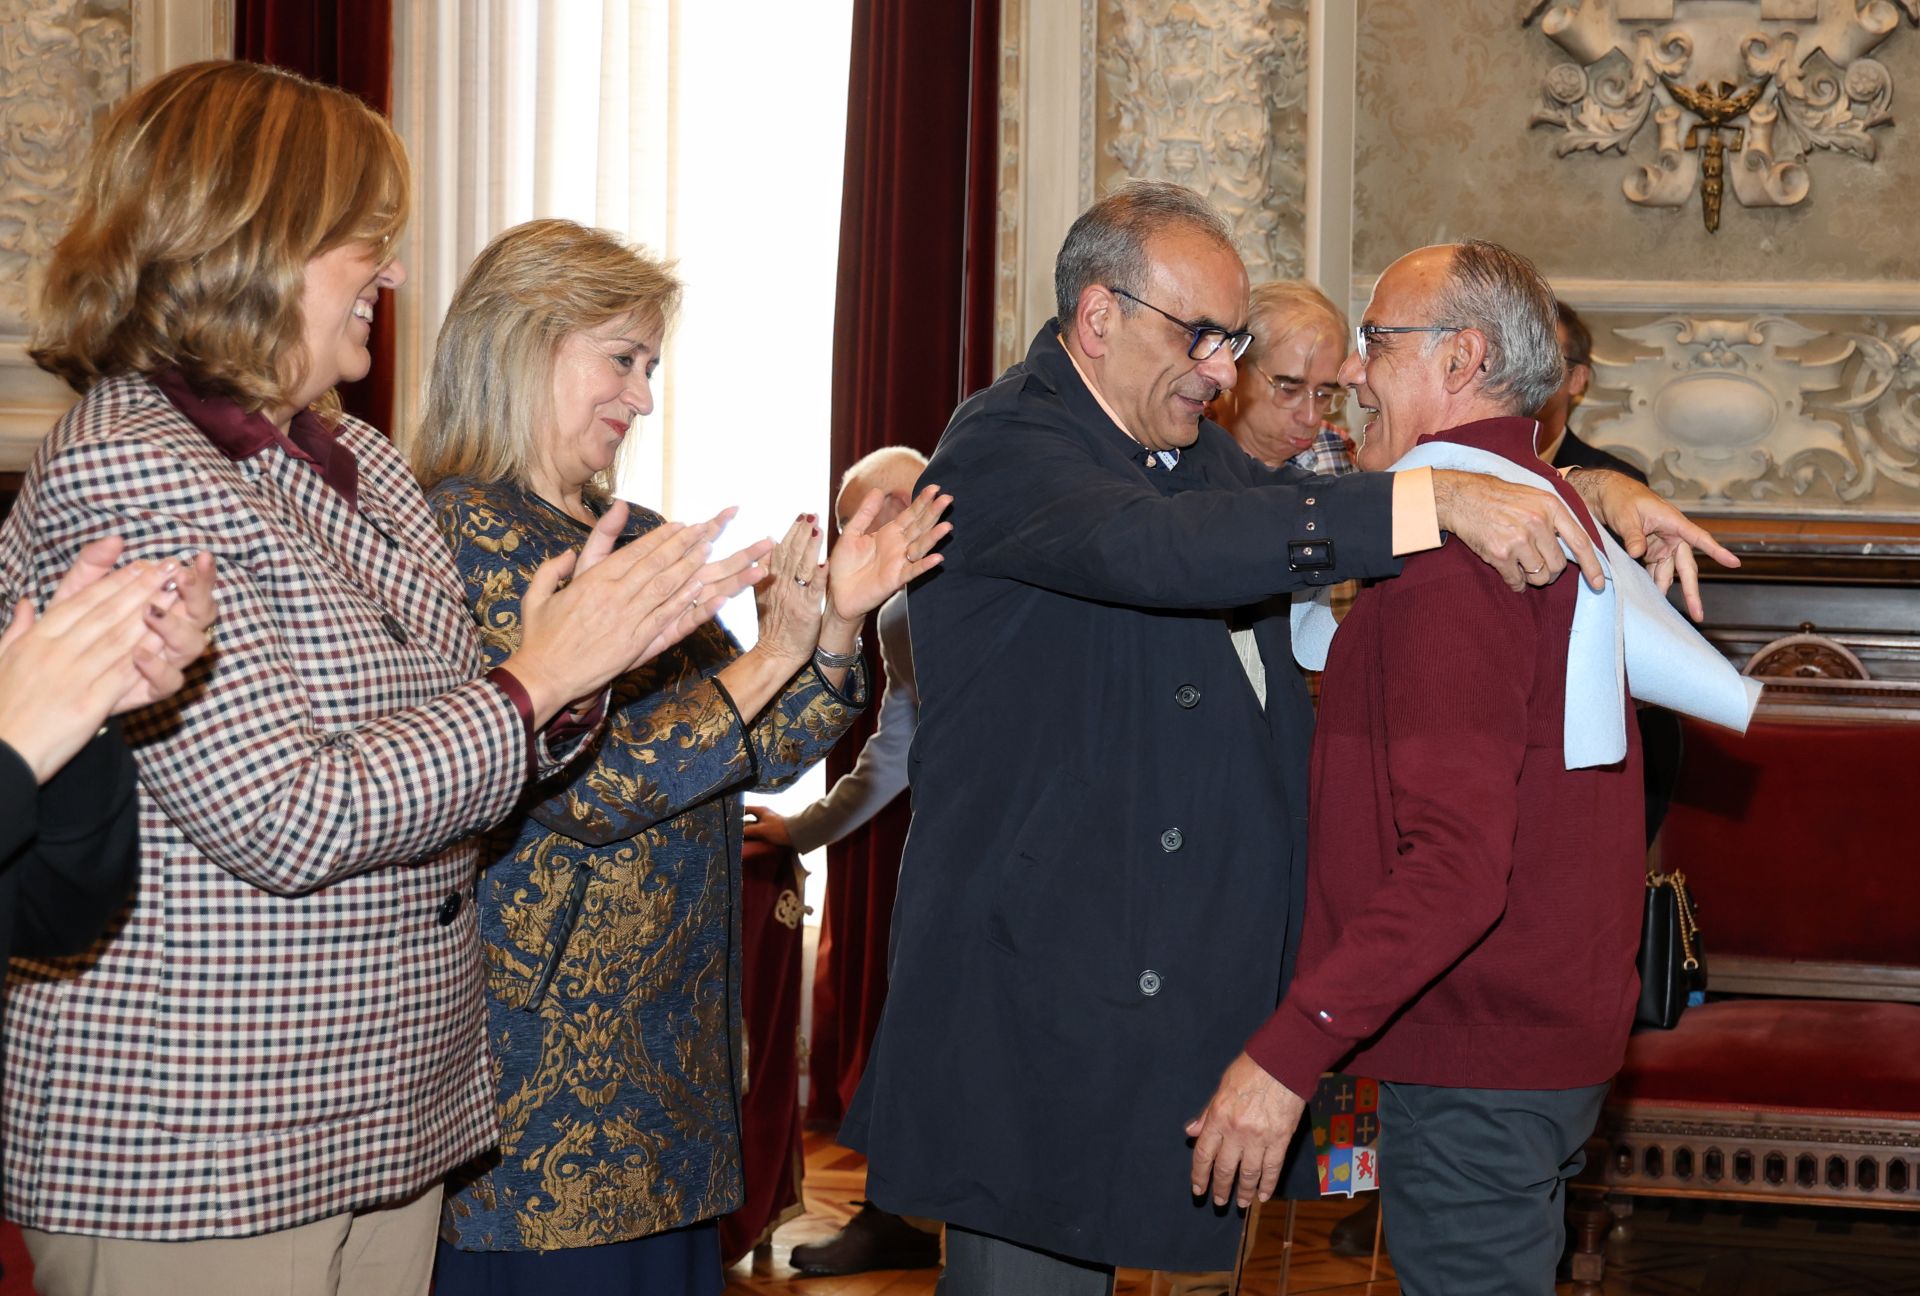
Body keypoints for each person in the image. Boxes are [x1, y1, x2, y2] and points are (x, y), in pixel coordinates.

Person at [844, 181, 1733, 1291]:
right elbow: (1163, 553)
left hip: (1160, 987)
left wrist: (1587, 487)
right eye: (1203, 338)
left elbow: (1301, 497)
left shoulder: (1187, 459)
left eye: (1232, 342)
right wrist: (1440, 502)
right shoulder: (1007, 441)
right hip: (1038, 992)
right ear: (1099, 317)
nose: (1224, 373)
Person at [0, 62, 762, 1296]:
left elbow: (464, 743)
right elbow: (286, 815)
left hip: (386, 1118)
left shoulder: (357, 457)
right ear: (250, 239)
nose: (394, 274)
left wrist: (570, 682)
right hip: (209, 1143)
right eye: (366, 240)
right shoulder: (129, 468)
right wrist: (537, 682)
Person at [408, 218, 951, 1296]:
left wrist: (835, 625)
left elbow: (758, 750)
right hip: (544, 1098)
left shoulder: (632, 526)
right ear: (523, 341)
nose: (642, 395)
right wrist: (781, 650)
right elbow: (599, 787)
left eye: (650, 366)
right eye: (622, 359)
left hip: (669, 1078)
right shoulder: (459, 534)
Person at [1193, 240, 1666, 1294]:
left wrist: (1286, 1053)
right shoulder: (1538, 504)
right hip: (1532, 1044)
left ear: (1460, 360)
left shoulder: (1458, 565)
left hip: (1477, 1060)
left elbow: (1454, 869)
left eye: (1373, 343)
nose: (1354, 375)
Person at [744, 445, 944, 1278]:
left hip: (1029, 847)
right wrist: (804, 831)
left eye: (863, 521)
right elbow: (896, 746)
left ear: (906, 503)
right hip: (948, 849)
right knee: (914, 1023)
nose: (851, 544)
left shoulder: (987, 574)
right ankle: (894, 1214)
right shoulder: (898, 612)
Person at [1211, 280, 1355, 475]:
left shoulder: (1336, 453)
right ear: (1235, 368)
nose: (1311, 418)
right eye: (1289, 390)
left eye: (1324, 394)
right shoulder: (1180, 448)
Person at [1535, 299, 1645, 481]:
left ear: (1577, 378)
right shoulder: (1472, 464)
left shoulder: (1619, 481)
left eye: (1545, 357)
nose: (1525, 370)